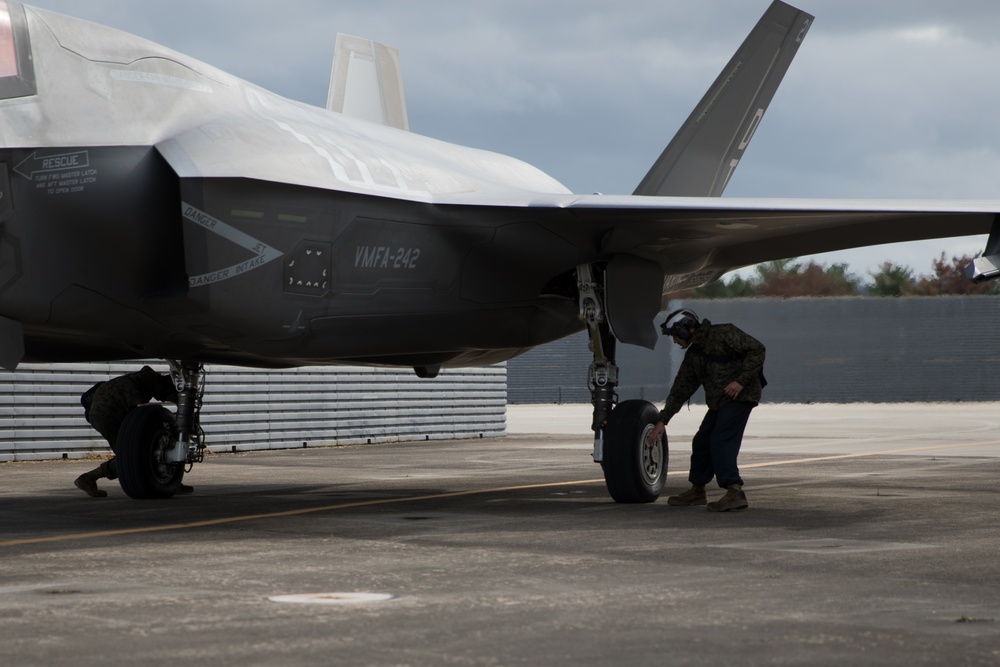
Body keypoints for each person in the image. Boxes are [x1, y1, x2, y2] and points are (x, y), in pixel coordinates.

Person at [647, 309, 765, 512]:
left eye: (675, 335)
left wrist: (740, 381)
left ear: (685, 329)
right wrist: (662, 420)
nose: (675, 341)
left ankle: (734, 491)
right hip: (721, 401)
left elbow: (757, 350)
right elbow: (680, 390)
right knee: (702, 441)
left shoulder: (724, 334)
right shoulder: (695, 355)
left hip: (741, 396)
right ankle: (698, 490)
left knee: (721, 440)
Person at [74, 365, 188, 498]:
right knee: (132, 457)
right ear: (169, 388)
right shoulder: (152, 380)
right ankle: (89, 478)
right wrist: (138, 404)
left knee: (131, 455)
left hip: (102, 413)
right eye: (172, 397)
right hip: (109, 413)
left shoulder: (149, 380)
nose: (167, 400)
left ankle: (169, 482)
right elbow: (131, 391)